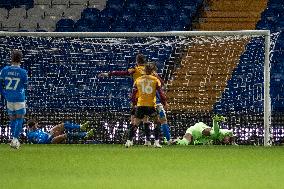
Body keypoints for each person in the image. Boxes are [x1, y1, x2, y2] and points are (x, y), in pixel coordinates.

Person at [98, 53, 172, 146]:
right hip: (151, 99)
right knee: (153, 120)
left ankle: (131, 141)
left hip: (138, 99)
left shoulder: (135, 70)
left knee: (135, 120)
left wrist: (108, 74)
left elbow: (122, 73)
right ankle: (151, 141)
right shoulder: (152, 72)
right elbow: (162, 83)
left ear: (137, 61)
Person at [126, 62, 167, 148]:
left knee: (135, 124)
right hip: (151, 105)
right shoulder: (155, 80)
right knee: (157, 121)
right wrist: (164, 103)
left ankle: (129, 141)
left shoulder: (138, 80)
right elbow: (161, 93)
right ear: (152, 70)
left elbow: (133, 94)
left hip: (140, 105)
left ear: (144, 70)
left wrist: (134, 104)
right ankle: (156, 142)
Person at [0, 50, 28, 149]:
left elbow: (0, 83)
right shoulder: (23, 72)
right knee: (20, 118)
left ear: (11, 58)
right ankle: (15, 139)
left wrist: (3, 93)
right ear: (21, 59)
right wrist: (26, 99)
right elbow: (25, 87)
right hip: (19, 98)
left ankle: (13, 139)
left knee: (12, 119)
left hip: (9, 97)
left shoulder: (5, 70)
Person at [26, 119, 94, 144]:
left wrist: (50, 133)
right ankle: (85, 134)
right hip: (49, 141)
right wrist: (51, 136)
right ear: (32, 126)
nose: (37, 126)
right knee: (66, 135)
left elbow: (44, 134)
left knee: (63, 125)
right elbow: (42, 142)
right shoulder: (31, 135)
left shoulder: (37, 130)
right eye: (36, 125)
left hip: (49, 136)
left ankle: (80, 127)